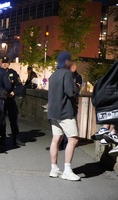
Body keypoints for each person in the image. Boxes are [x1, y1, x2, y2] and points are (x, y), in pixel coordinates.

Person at [48, 51, 80, 181]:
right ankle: (67, 170)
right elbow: (70, 91)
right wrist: (77, 86)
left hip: (53, 112)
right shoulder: (67, 74)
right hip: (65, 112)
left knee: (56, 139)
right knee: (73, 139)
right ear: (67, 61)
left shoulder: (53, 75)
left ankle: (54, 169)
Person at [0, 56, 25, 147]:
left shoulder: (13, 73)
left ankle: (16, 138)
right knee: (1, 120)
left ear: (9, 64)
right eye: (3, 62)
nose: (5, 64)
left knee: (13, 119)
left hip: (10, 99)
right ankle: (2, 138)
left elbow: (19, 86)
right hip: (1, 99)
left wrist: (14, 92)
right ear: (0, 63)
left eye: (6, 62)